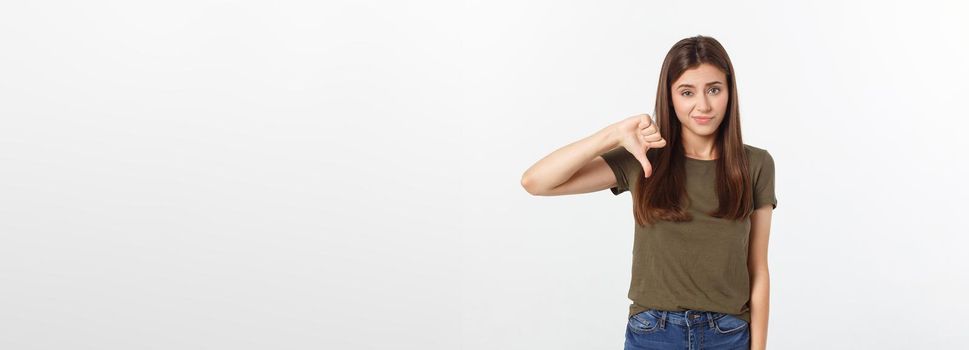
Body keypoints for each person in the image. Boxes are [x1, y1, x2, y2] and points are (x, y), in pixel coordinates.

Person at [520, 35, 776, 350]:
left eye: (714, 89)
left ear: (729, 92)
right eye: (687, 92)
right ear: (669, 97)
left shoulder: (755, 164)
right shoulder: (643, 156)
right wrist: (613, 134)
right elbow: (536, 181)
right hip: (653, 332)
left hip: (727, 334)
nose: (703, 105)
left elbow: (758, 269)